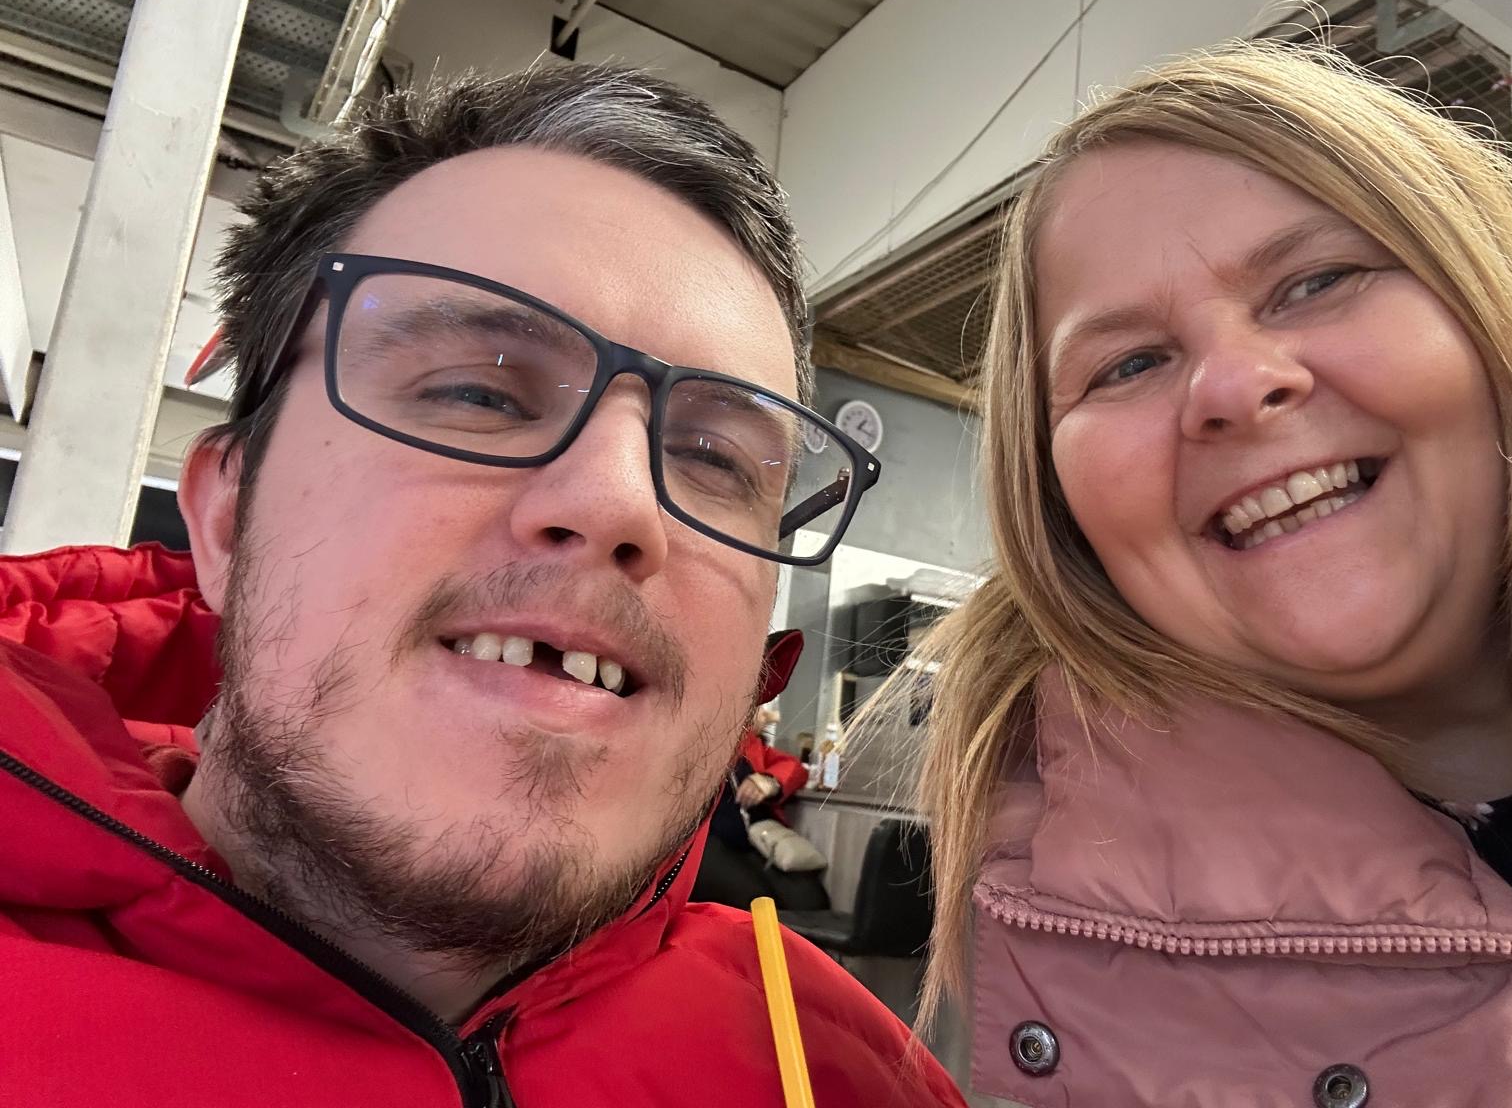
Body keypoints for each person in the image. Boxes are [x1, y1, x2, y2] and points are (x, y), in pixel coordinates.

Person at [0, 63, 963, 1108]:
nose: (618, 503)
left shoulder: (835, 1068)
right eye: (477, 393)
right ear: (227, 519)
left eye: (712, 458)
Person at [889, 41, 1512, 1104]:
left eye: (1316, 282)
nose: (1232, 386)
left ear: (1492, 312)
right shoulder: (1044, 965)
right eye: (1129, 363)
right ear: (1059, 505)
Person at [692, 631, 831, 912]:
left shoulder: (751, 745)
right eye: (762, 704)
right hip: (705, 842)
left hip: (753, 839)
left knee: (810, 899)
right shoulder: (692, 735)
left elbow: (794, 768)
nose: (768, 714)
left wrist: (769, 781)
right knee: (753, 903)